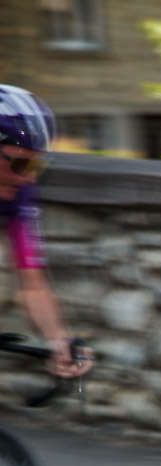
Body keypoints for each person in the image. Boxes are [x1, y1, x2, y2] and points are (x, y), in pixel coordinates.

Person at [0, 85, 92, 380]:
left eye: (37, 164)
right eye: (21, 163)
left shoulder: (19, 191)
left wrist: (58, 340)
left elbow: (33, 283)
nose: (30, 177)